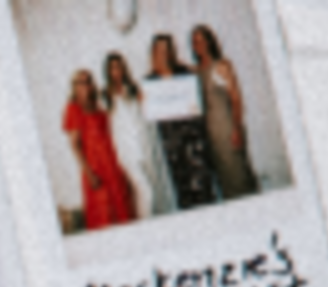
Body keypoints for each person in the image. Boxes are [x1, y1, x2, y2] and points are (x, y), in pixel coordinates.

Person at [146, 34, 217, 210]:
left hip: (194, 142)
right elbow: (150, 115)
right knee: (184, 195)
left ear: (171, 51)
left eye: (166, 49)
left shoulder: (184, 72)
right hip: (172, 148)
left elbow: (197, 106)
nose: (163, 53)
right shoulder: (150, 81)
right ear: (154, 53)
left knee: (205, 190)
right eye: (159, 50)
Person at [191, 24, 258, 201]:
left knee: (240, 180)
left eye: (201, 40)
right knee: (225, 184)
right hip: (211, 137)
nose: (198, 45)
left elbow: (236, 99)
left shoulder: (221, 66)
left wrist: (236, 129)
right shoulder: (197, 71)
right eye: (194, 42)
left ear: (210, 42)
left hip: (228, 131)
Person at [64, 69, 136, 232]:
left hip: (113, 165)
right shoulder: (73, 108)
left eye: (88, 81)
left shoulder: (98, 104)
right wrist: (89, 174)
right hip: (96, 169)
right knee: (105, 217)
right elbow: (75, 146)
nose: (86, 85)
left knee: (124, 210)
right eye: (81, 82)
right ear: (74, 86)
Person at [104, 50, 169, 222]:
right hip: (126, 154)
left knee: (147, 192)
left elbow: (148, 114)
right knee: (147, 191)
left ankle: (145, 223)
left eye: (120, 67)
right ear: (108, 72)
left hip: (143, 147)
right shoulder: (106, 96)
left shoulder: (133, 89)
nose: (117, 71)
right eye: (113, 68)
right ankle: (144, 227)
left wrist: (145, 100)